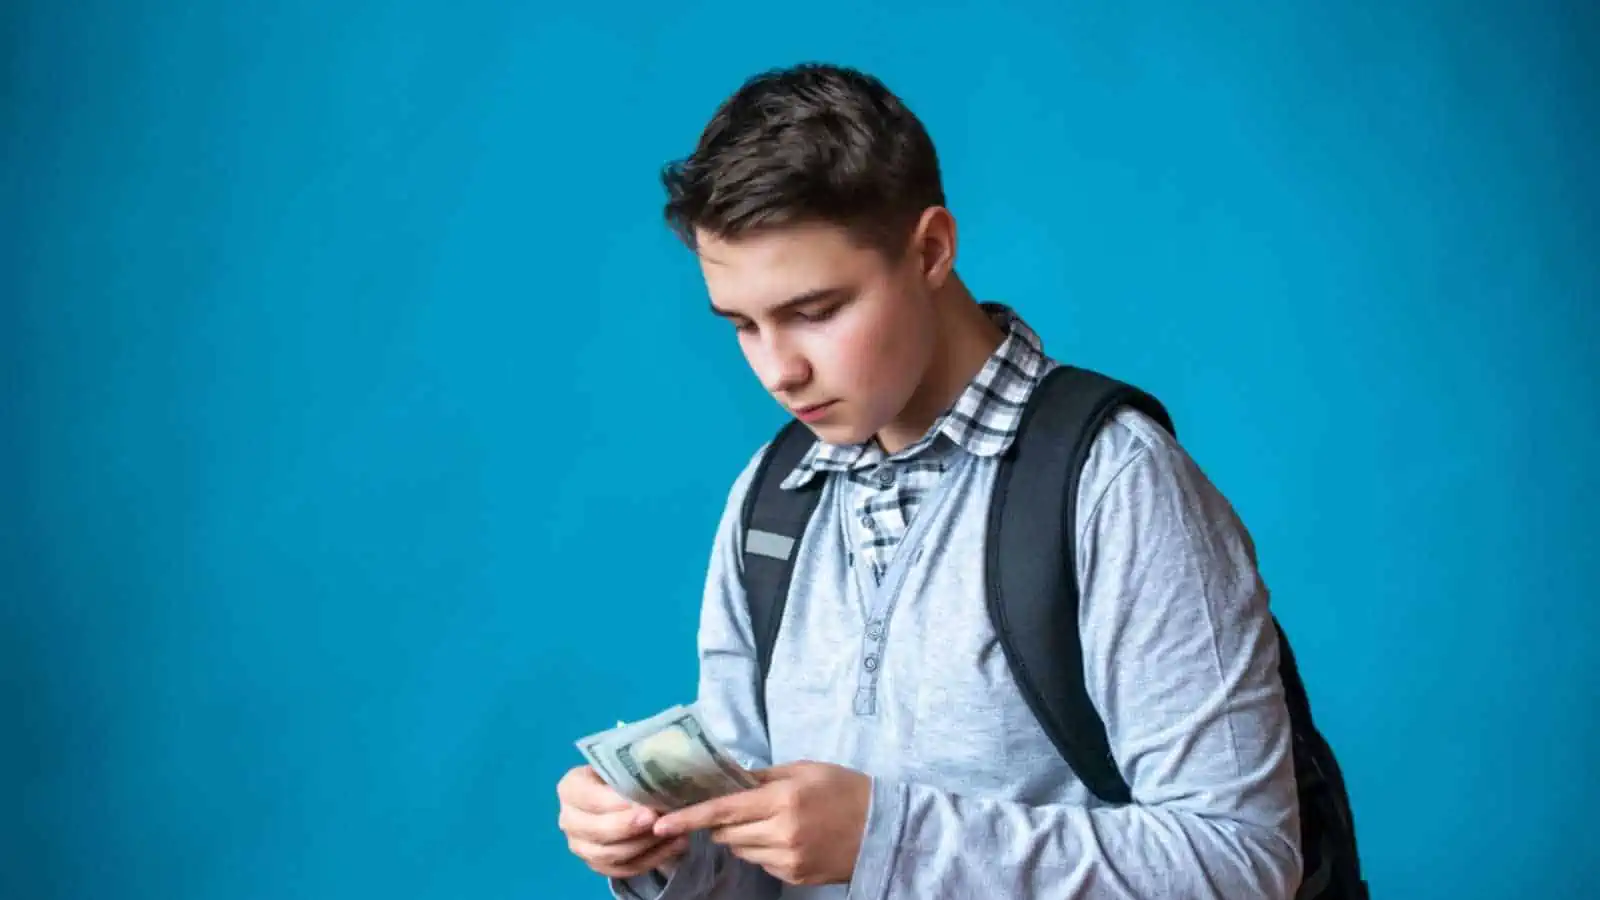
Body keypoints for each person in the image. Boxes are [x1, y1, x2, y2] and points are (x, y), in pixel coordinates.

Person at [556, 62, 1304, 899]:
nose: (779, 370)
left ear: (932, 251)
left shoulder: (1114, 484)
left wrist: (888, 840)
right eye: (742, 325)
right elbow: (759, 871)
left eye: (815, 312)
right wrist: (666, 848)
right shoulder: (769, 498)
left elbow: (1240, 864)